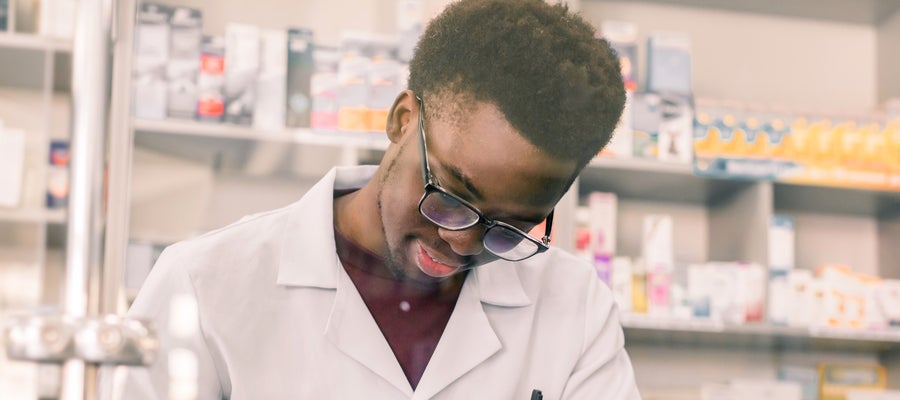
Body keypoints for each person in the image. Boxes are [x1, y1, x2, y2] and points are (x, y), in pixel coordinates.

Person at [106, 0, 640, 398]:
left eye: (510, 226)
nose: (461, 241)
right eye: (453, 194)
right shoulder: (203, 284)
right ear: (403, 121)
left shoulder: (575, 306)